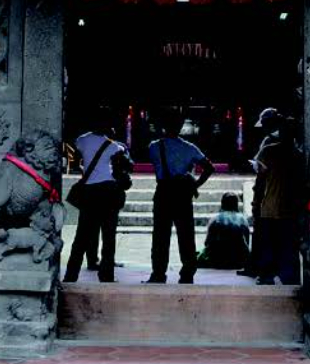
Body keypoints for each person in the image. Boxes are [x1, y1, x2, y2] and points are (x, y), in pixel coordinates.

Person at [146, 110, 213, 284]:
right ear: (180, 126)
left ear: (163, 126)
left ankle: (158, 273)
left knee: (160, 236)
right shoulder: (190, 148)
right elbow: (209, 167)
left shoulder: (154, 147)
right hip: (183, 195)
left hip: (163, 192)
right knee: (186, 235)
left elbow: (155, 163)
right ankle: (187, 273)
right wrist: (195, 185)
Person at [63, 121, 132, 284]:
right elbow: (126, 163)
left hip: (89, 192)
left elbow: (77, 151)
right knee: (109, 237)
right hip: (108, 191)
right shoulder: (114, 146)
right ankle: (106, 275)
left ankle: (71, 275)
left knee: (81, 237)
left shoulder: (82, 140)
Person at [249, 107, 305, 285]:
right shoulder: (299, 156)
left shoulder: (268, 151)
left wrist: (256, 204)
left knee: (269, 245)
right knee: (288, 247)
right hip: (291, 210)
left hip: (270, 208)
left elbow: (260, 182)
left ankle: (267, 276)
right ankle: (289, 278)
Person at [197, 192, 253, 271]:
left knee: (198, 254)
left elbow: (207, 243)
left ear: (222, 204)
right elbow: (247, 243)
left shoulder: (215, 219)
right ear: (236, 205)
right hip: (238, 260)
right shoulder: (243, 220)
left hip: (216, 260)